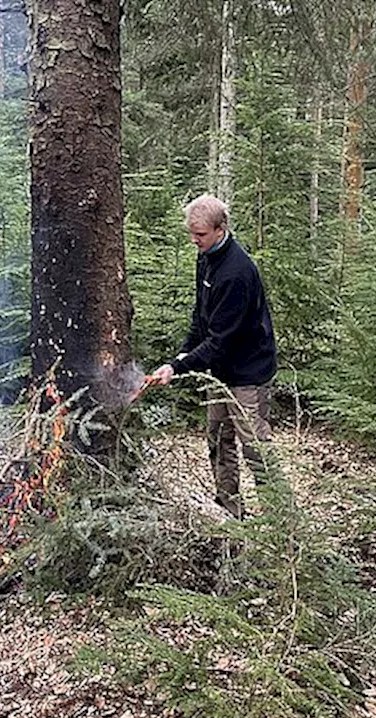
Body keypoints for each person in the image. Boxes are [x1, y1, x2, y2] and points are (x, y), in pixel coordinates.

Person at [149, 194, 277, 519]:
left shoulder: (237, 272)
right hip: (218, 371)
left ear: (221, 229)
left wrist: (177, 367)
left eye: (201, 235)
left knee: (256, 450)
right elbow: (201, 318)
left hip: (248, 373)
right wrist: (182, 352)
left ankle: (283, 527)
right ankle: (230, 513)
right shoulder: (206, 257)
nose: (194, 241)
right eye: (191, 234)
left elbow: (219, 340)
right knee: (219, 441)